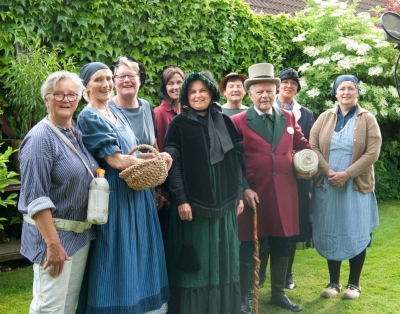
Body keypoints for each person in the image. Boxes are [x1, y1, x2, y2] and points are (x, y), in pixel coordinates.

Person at [75, 62, 172, 314]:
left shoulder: (113, 112)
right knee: (119, 257)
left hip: (137, 197)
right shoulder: (89, 116)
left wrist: (158, 157)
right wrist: (153, 160)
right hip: (116, 199)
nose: (106, 84)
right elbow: (116, 160)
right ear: (86, 86)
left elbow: (131, 155)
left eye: (108, 78)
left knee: (141, 254)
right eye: (98, 79)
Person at [231, 63, 315, 313]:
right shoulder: (237, 121)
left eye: (269, 90)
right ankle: (247, 295)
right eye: (260, 92)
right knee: (248, 245)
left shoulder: (288, 117)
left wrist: (307, 163)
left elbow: (303, 144)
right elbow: (232, 162)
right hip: (254, 194)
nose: (265, 96)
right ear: (251, 94)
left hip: (284, 192)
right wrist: (243, 188)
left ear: (275, 91)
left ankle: (277, 293)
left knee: (282, 243)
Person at [163, 70, 245, 314]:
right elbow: (173, 163)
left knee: (224, 258)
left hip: (226, 204)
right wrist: (181, 199)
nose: (198, 96)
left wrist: (238, 194)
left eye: (202, 91)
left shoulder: (225, 121)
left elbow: (238, 160)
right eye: (193, 92)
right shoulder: (178, 123)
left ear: (210, 93)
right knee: (199, 261)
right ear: (186, 96)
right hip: (194, 206)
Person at [18, 71, 98, 313]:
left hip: (79, 236)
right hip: (54, 239)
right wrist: (53, 245)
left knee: (65, 306)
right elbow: (36, 198)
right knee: (48, 308)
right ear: (46, 98)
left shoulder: (74, 132)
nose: (66, 100)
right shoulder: (40, 139)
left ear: (79, 98)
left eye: (72, 94)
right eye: (59, 94)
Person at [309, 74, 381, 300]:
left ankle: (354, 284)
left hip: (355, 186)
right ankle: (333, 282)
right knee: (332, 231)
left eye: (351, 88)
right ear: (335, 92)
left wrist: (347, 174)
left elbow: (372, 152)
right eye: (342, 89)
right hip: (329, 185)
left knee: (355, 231)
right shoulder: (324, 117)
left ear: (357, 92)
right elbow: (312, 145)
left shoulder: (367, 118)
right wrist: (329, 171)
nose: (346, 92)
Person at [258, 68, 315, 290]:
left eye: (293, 83)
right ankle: (260, 274)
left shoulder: (302, 114)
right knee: (265, 228)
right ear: (277, 87)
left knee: (290, 229)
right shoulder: (259, 113)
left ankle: (284, 278)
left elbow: (306, 145)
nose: (289, 86)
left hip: (295, 180)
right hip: (266, 182)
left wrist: (308, 165)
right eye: (285, 82)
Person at [155, 65, 185, 152]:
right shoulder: (159, 112)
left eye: (179, 82)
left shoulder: (188, 111)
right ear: (165, 88)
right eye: (170, 83)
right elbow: (159, 148)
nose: (176, 87)